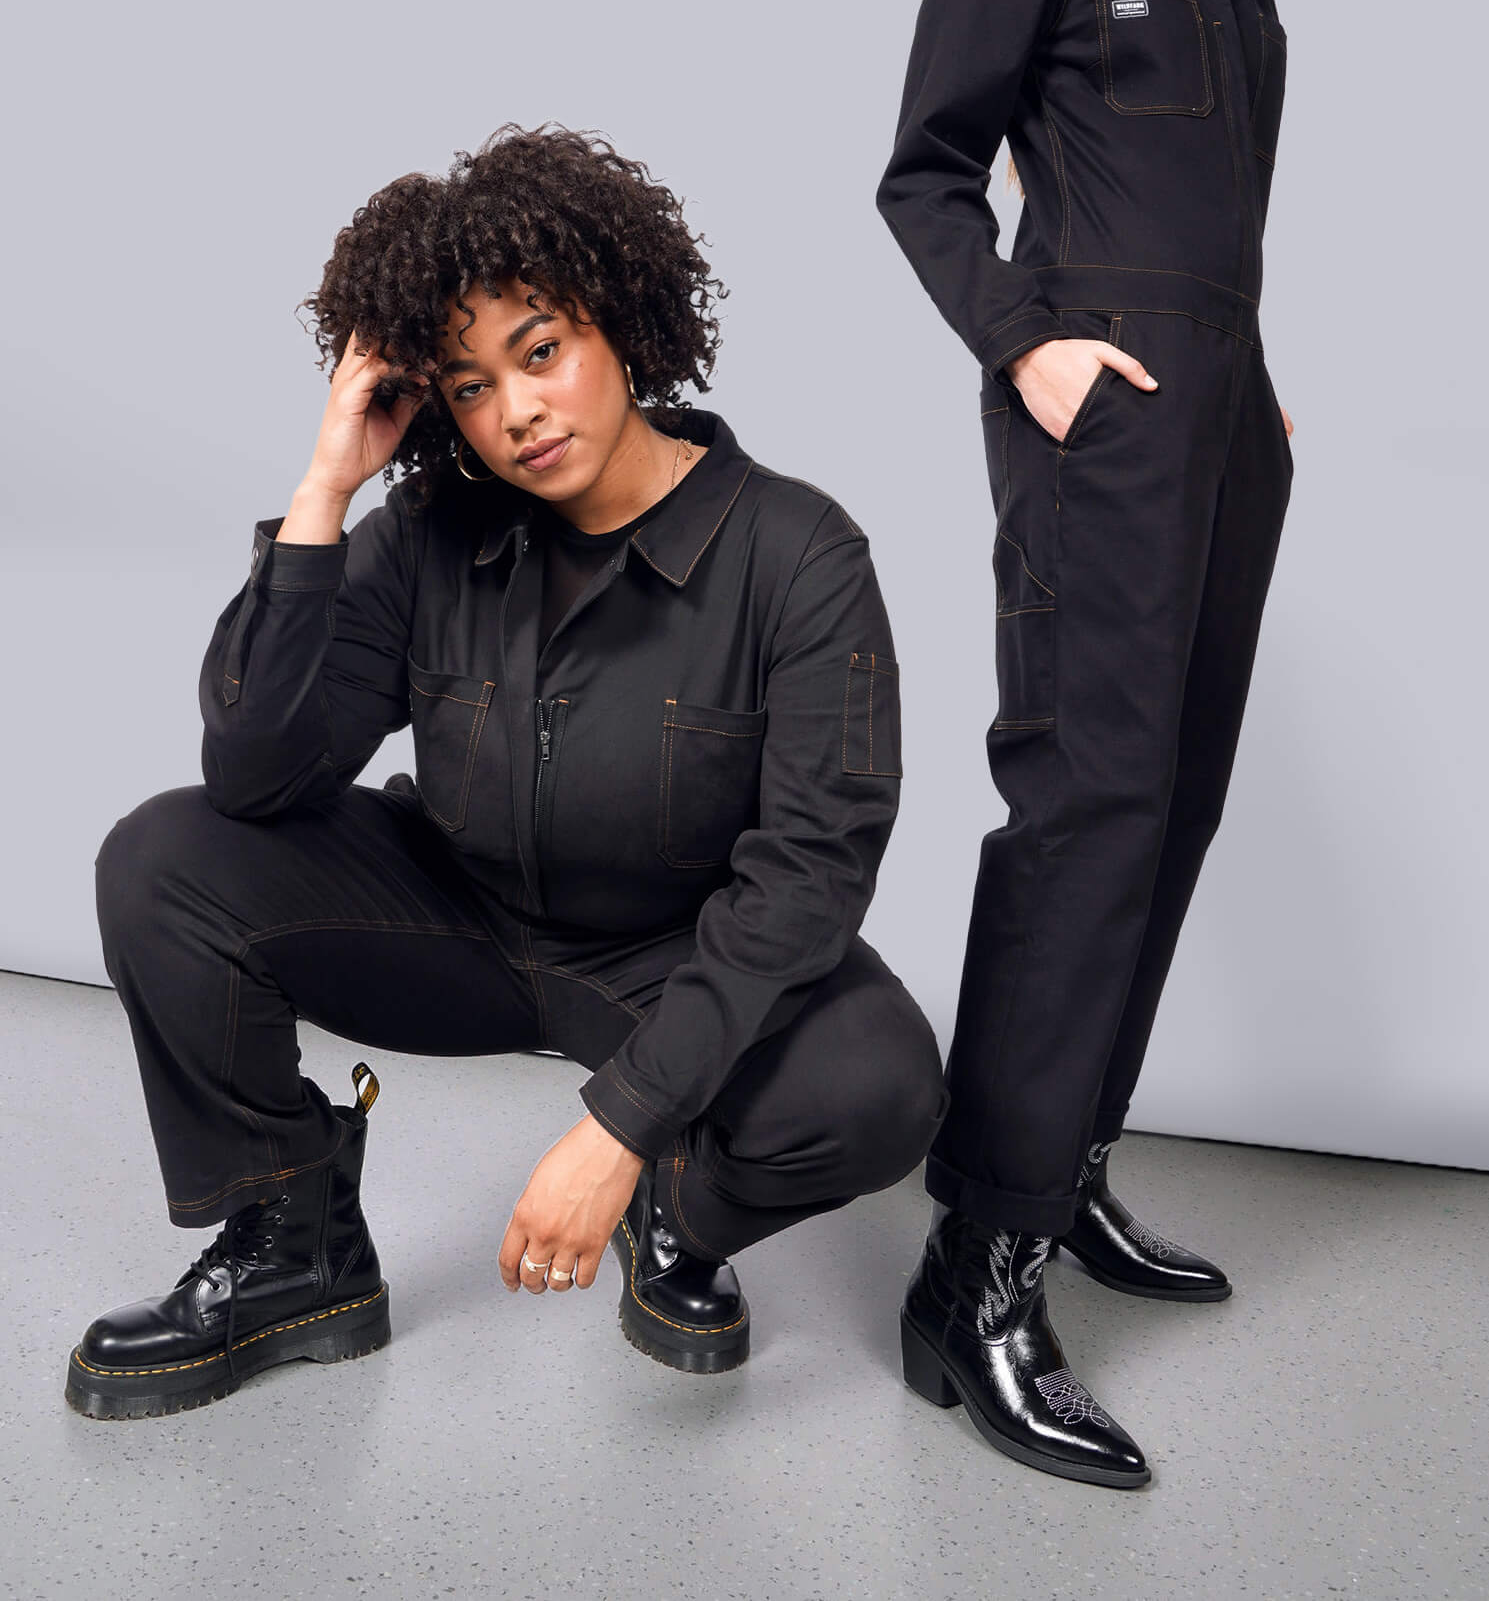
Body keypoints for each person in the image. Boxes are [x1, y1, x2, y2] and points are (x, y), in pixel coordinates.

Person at [68, 123, 946, 1420]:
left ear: (621, 321)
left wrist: (623, 1129)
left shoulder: (798, 553)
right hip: (458, 922)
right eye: (469, 386)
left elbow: (810, 877)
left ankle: (679, 1220)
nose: (515, 411)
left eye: (538, 351)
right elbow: (255, 771)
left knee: (881, 1082)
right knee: (163, 857)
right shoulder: (431, 530)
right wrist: (327, 486)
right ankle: (292, 1245)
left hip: (670, 961)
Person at [876, 0, 1293, 1489]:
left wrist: (1259, 392)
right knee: (1087, 805)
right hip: (1100, 425)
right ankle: (978, 1264)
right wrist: (1025, 340)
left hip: (1228, 438)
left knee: (1176, 805)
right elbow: (926, 171)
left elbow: (1227, 227)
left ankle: (1069, 1164)